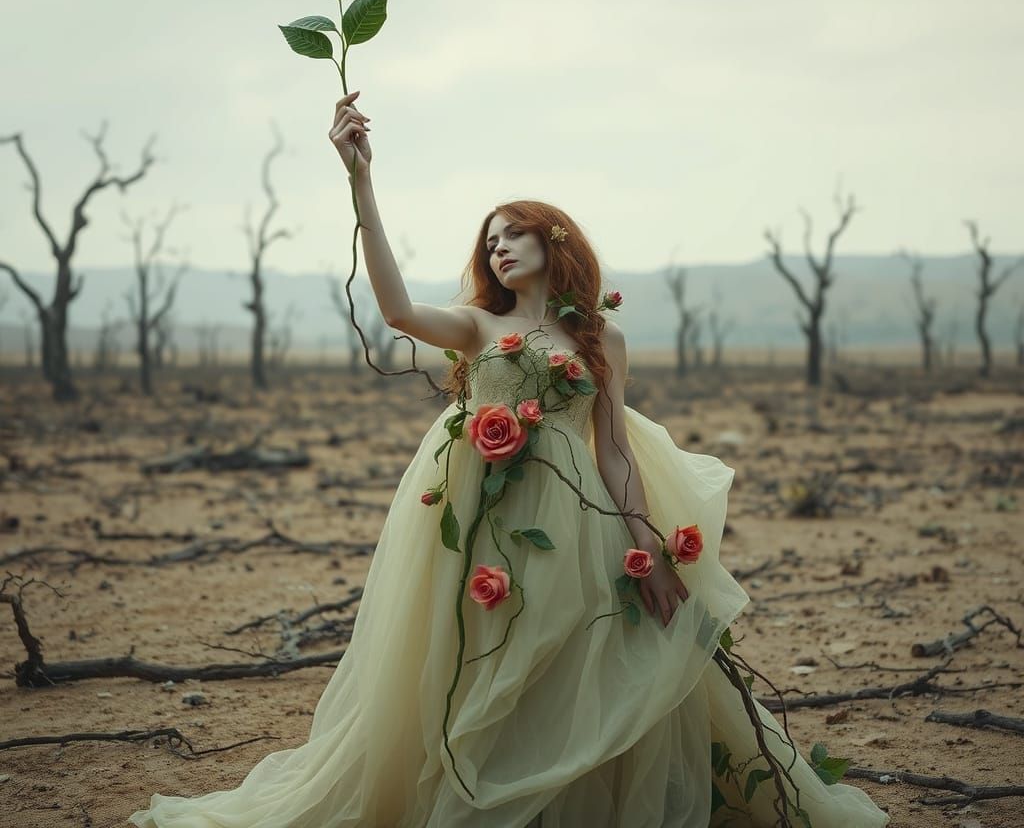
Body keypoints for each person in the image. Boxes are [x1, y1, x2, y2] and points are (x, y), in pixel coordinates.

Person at [128, 93, 890, 827]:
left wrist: (646, 548)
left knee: (575, 650)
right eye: (489, 238)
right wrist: (360, 178)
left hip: (575, 516)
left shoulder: (602, 339)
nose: (496, 246)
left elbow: (617, 453)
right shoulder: (477, 327)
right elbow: (395, 310)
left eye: (512, 233)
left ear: (553, 241)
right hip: (480, 512)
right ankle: (477, 792)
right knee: (485, 649)